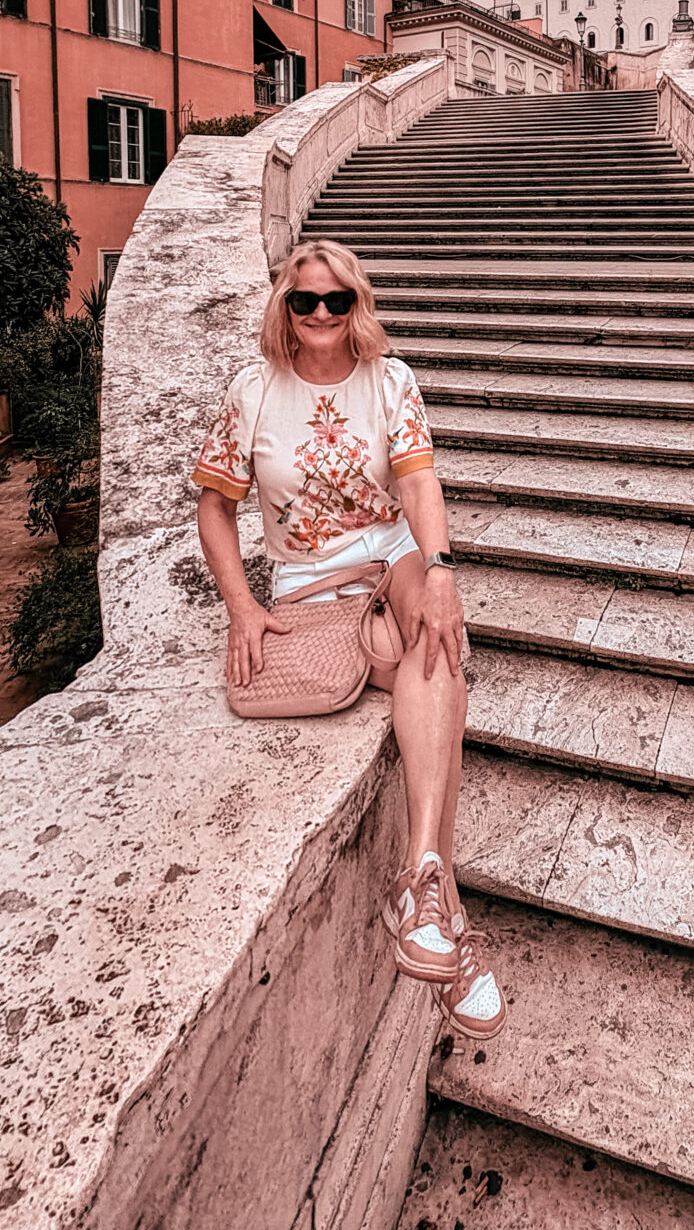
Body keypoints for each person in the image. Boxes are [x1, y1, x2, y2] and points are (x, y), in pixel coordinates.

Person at [192, 238, 504, 1040]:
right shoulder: (252, 391)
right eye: (306, 301)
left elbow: (418, 480)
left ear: (357, 305)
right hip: (309, 583)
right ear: (285, 309)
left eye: (338, 300)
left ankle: (419, 876)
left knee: (438, 637)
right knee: (440, 688)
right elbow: (215, 507)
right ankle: (440, 910)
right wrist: (240, 605)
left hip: (391, 556)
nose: (323, 314)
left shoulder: (388, 380)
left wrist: (437, 568)